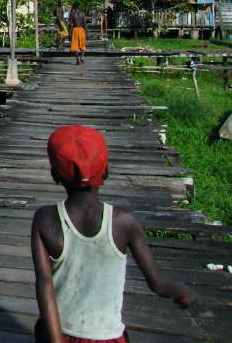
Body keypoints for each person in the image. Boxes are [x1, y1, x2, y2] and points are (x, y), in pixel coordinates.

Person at [31, 125, 191, 343]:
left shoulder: (45, 219)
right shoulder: (124, 221)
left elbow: (44, 286)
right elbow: (157, 284)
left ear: (55, 176)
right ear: (106, 170)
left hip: (57, 334)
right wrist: (181, 292)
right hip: (106, 337)